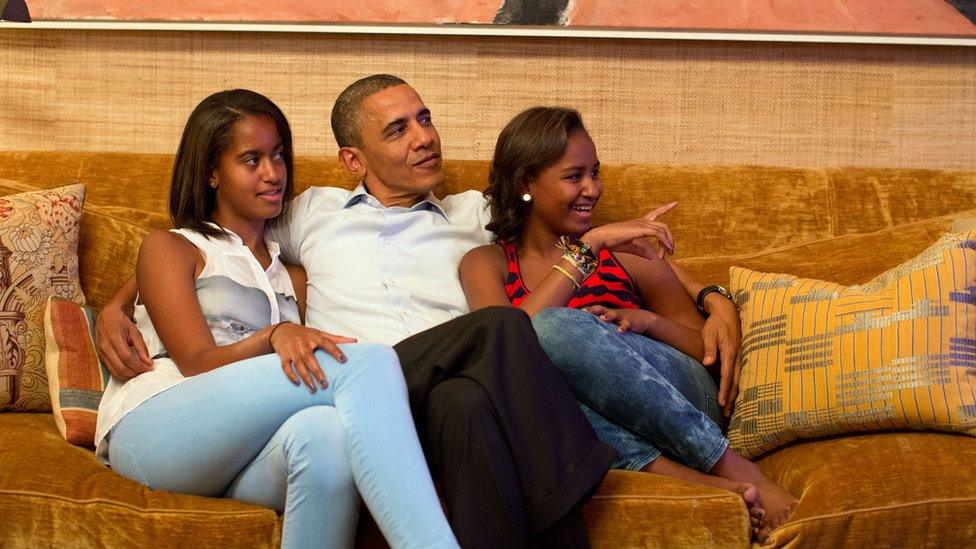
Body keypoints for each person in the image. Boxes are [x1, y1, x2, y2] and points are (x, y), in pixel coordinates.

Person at [96, 76, 616, 548]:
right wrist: (112, 307)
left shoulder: (470, 215)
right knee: (444, 343)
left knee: (451, 407)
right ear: (353, 159)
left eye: (425, 118)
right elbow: (191, 248)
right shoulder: (308, 213)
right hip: (329, 392)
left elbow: (559, 206)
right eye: (397, 129)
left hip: (417, 403)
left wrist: (700, 294)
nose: (424, 137)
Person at [94, 89, 459, 549]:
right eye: (251, 160)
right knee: (367, 363)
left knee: (325, 436)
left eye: (279, 156)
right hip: (158, 427)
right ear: (211, 173)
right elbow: (196, 362)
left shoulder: (290, 275)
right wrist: (274, 335)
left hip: (240, 447)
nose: (273, 174)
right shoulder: (173, 247)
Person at [459, 106, 798, 542]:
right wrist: (586, 249)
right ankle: (695, 482)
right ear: (525, 183)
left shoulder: (628, 253)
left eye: (595, 173)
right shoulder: (485, 263)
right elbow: (505, 351)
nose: (592, 189)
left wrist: (648, 321)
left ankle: (730, 464)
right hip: (582, 420)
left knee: (558, 329)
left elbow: (705, 355)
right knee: (528, 382)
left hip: (683, 401)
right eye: (574, 175)